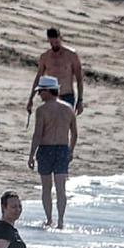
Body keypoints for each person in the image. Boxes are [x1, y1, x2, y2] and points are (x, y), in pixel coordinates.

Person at [28, 77, 77, 229]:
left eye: (41, 92)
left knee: (47, 187)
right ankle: (60, 221)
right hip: (62, 149)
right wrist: (71, 150)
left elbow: (38, 134)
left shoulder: (42, 110)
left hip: (46, 149)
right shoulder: (68, 108)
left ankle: (50, 219)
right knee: (61, 188)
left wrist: (31, 154)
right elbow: (74, 133)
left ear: (49, 91)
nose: (39, 95)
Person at [30, 27, 85, 113]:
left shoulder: (71, 55)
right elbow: (38, 78)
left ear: (60, 38)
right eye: (51, 43)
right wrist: (31, 99)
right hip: (50, 96)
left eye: (56, 42)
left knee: (64, 124)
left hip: (67, 96)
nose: (54, 45)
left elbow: (79, 79)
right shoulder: (45, 57)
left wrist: (80, 100)